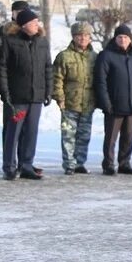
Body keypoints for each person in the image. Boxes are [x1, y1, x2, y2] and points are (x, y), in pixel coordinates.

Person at [0, 7, 52, 181]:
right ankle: (9, 167)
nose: (36, 25)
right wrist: (5, 93)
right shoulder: (10, 41)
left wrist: (49, 90)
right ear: (24, 25)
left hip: (36, 96)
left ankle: (26, 164)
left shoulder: (42, 41)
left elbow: (48, 67)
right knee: (13, 132)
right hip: (17, 96)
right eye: (33, 22)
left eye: (37, 22)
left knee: (31, 132)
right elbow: (1, 68)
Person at [94, 25, 132, 176]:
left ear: (130, 39)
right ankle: (108, 164)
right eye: (120, 37)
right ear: (115, 38)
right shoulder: (106, 55)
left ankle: (124, 163)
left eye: (125, 37)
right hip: (114, 105)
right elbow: (101, 82)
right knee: (111, 137)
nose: (123, 40)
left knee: (128, 136)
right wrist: (106, 103)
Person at [51, 22, 97, 175]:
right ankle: (69, 164)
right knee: (68, 136)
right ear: (74, 37)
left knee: (84, 136)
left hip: (88, 103)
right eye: (79, 35)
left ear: (90, 38)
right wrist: (59, 98)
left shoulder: (94, 57)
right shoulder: (64, 56)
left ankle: (80, 162)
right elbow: (57, 78)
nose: (83, 38)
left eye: (86, 35)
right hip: (70, 103)